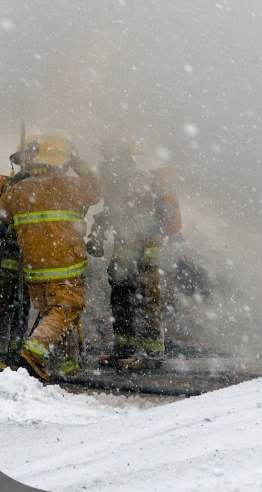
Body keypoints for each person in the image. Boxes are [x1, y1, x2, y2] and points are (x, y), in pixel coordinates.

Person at [0, 135, 102, 380]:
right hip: (65, 264)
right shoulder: (71, 186)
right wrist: (80, 165)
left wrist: (17, 184)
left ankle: (67, 367)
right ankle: (33, 353)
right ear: (62, 161)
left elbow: (2, 213)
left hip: (34, 268)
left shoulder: (19, 190)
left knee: (53, 313)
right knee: (67, 309)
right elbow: (98, 189)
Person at [86, 136, 182, 370]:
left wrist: (139, 260)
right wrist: (99, 230)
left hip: (143, 252)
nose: (104, 163)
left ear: (119, 159)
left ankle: (152, 356)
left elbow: (143, 223)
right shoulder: (119, 182)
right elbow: (116, 213)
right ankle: (124, 350)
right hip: (126, 252)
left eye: (108, 157)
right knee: (121, 299)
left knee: (147, 299)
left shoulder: (135, 182)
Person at [0, 144, 32, 373]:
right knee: (5, 306)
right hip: (12, 255)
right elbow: (5, 217)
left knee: (21, 306)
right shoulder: (16, 185)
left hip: (26, 256)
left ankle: (13, 353)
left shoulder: (27, 184)